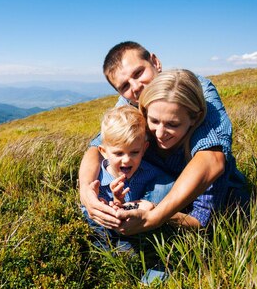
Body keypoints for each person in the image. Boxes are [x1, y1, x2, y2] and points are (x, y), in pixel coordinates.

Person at [79, 41, 246, 233]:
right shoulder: (130, 101)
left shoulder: (195, 92)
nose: (136, 87)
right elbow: (99, 146)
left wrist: (154, 217)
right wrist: (86, 192)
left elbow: (212, 160)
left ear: (156, 62)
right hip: (159, 184)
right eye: (124, 85)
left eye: (138, 73)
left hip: (205, 196)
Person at [81, 105, 173, 251]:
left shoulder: (150, 174)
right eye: (118, 153)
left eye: (134, 152)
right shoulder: (97, 179)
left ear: (144, 149)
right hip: (103, 227)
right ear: (103, 152)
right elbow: (91, 210)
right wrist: (110, 204)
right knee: (96, 246)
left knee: (131, 251)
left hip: (135, 228)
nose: (126, 160)